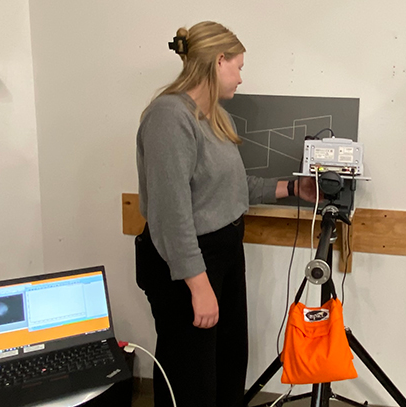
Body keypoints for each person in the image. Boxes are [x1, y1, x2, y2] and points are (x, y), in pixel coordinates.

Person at [134, 21, 318, 407]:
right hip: (188, 263)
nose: (240, 77)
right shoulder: (169, 117)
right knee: (192, 374)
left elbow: (233, 188)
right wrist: (198, 286)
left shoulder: (215, 116)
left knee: (228, 363)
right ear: (218, 62)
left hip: (225, 252)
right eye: (238, 66)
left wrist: (290, 188)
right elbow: (171, 211)